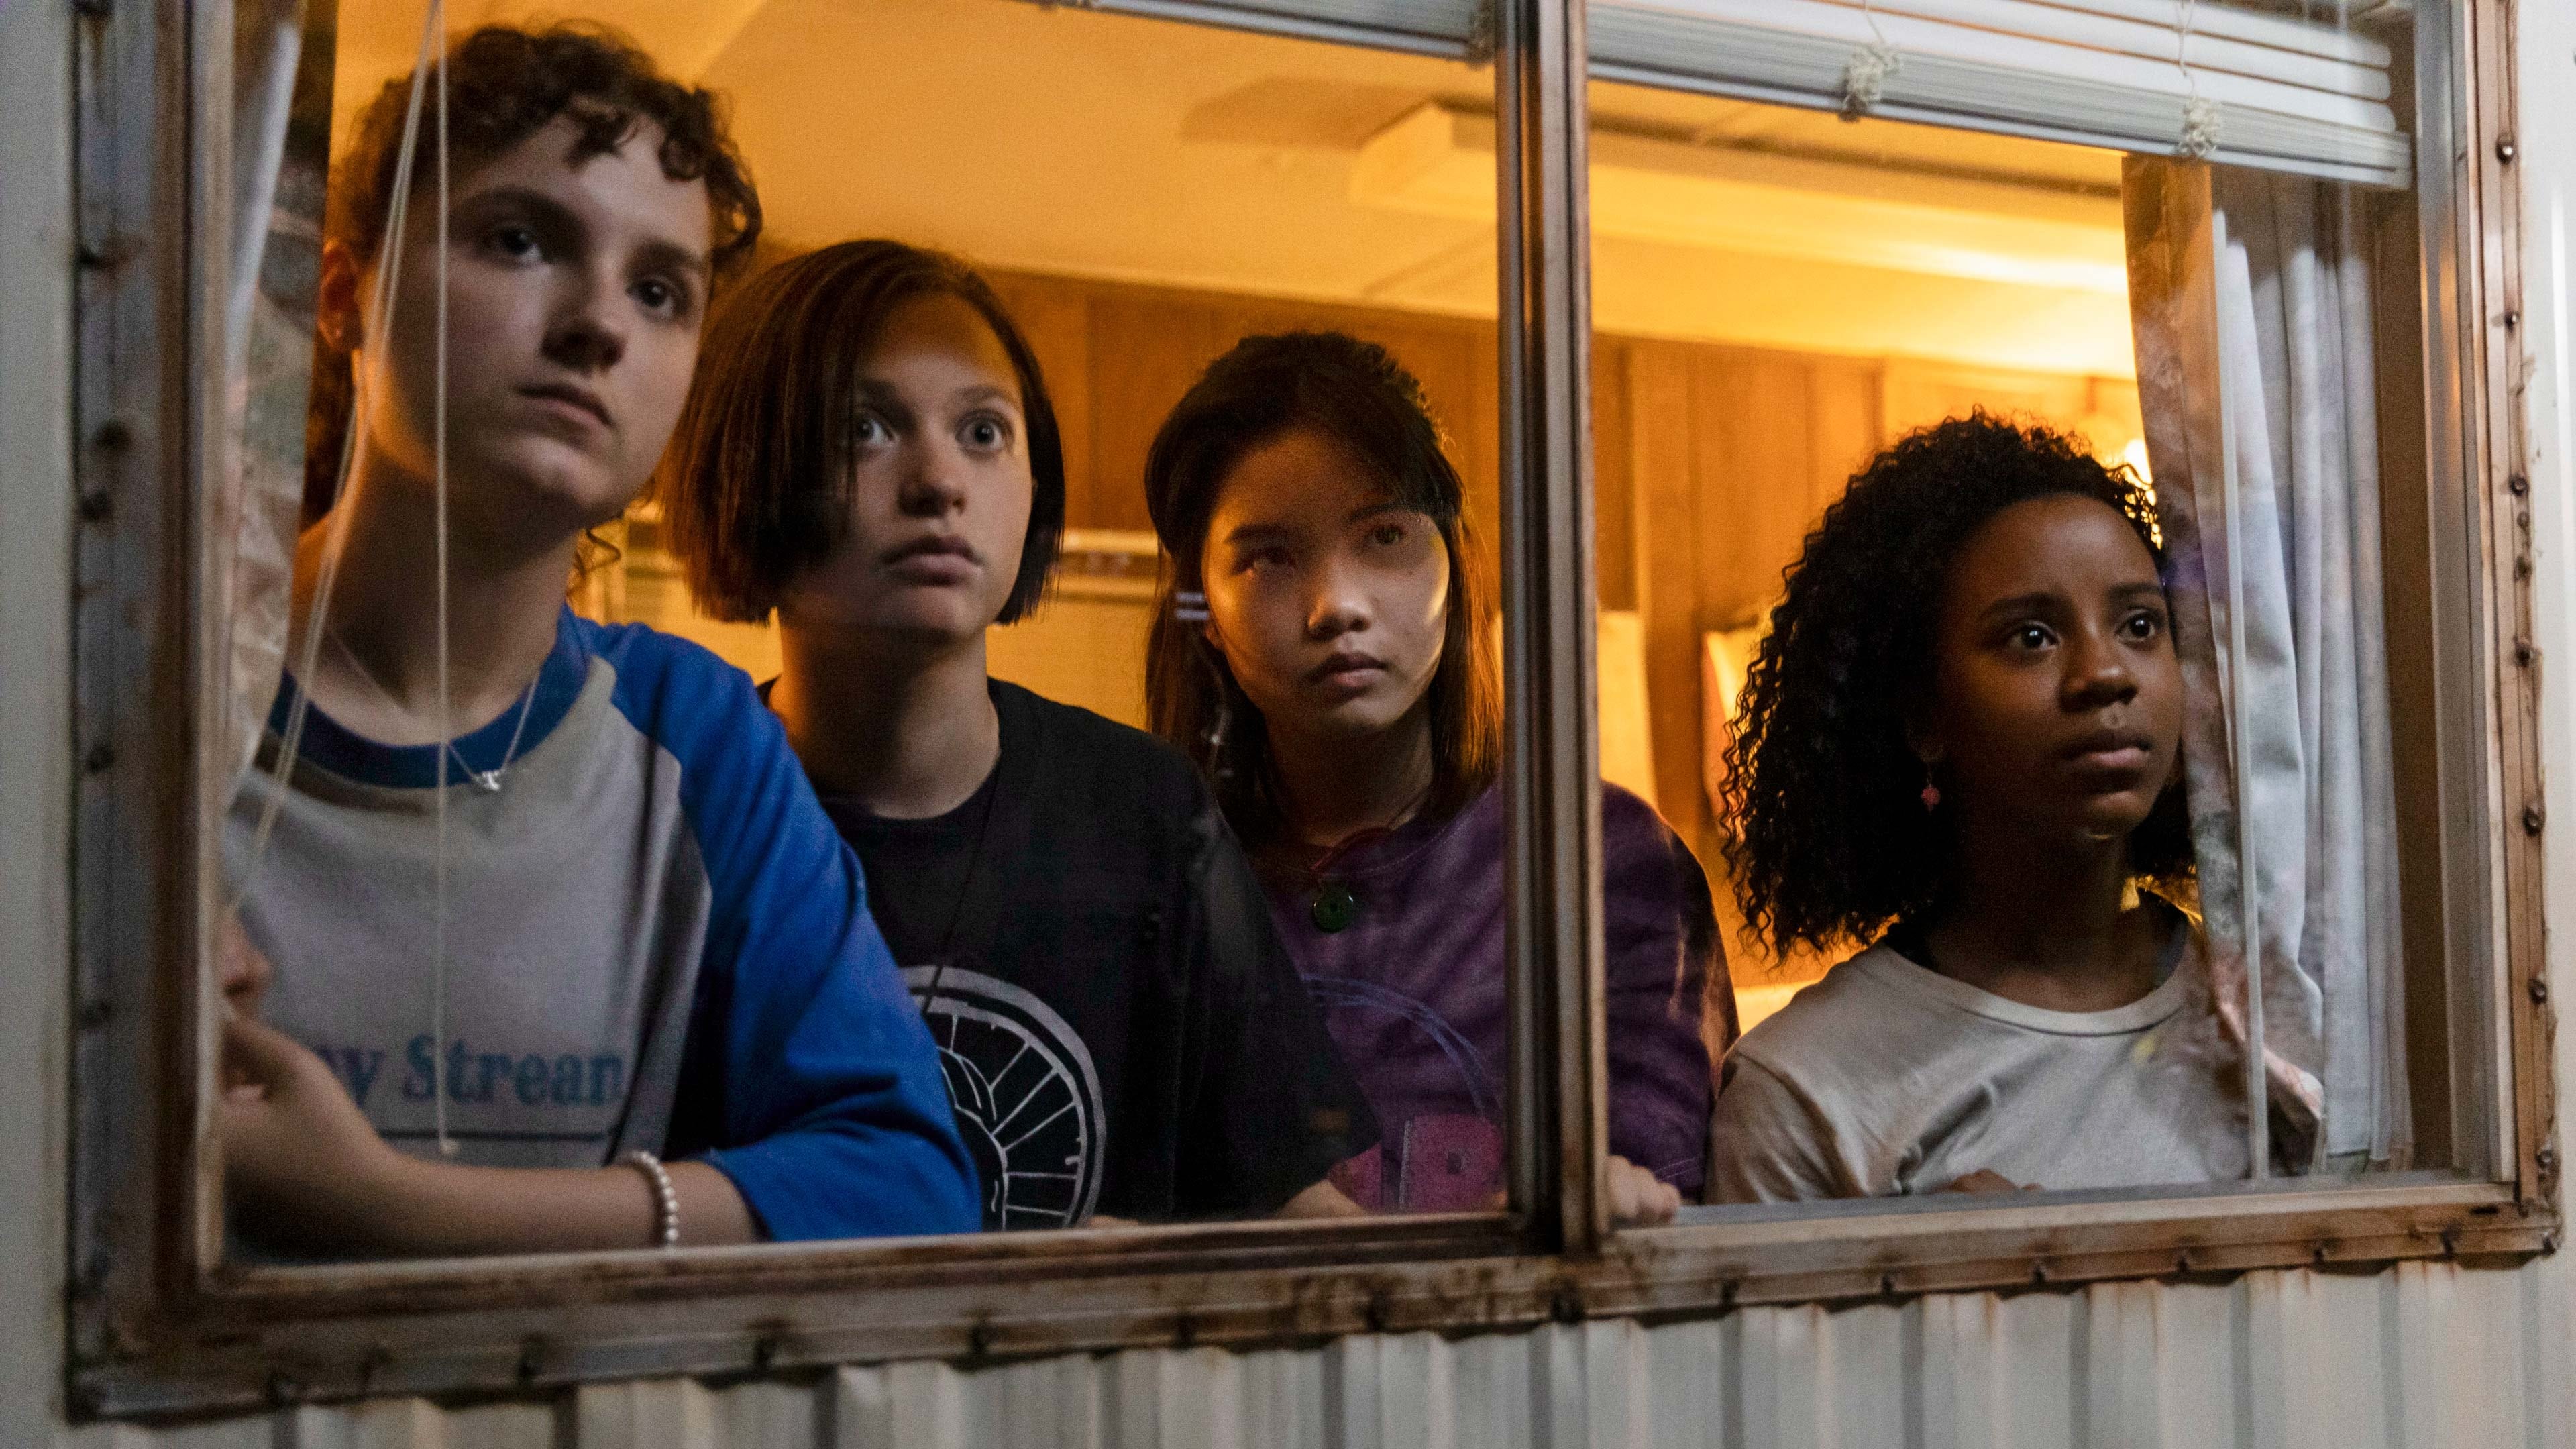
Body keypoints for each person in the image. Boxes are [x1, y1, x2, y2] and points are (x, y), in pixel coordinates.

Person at [219, 25, 980, 1256]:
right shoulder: (135, 682)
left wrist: (387, 1206)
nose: (599, 326)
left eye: (659, 291)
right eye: (521, 240)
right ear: (344, 297)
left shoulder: (694, 738)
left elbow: (910, 1183)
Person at [657, 241, 1377, 1229]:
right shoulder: (675, 813)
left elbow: (1290, 1203)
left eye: (984, 432)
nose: (939, 482)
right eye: (865, 428)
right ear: (750, 470)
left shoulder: (1143, 812)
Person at [1141, 331, 1729, 1224]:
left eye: (1384, 536)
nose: (1337, 605)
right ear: (1204, 609)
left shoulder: (1598, 862)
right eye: (1268, 556)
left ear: (1454, 563)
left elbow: (1645, 1192)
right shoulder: (1159, 880)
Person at [1705, 413, 2312, 1203]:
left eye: (2139, 625)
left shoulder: (2279, 1016)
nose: (2106, 674)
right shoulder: (1805, 1094)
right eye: (2031, 637)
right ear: (1923, 716)